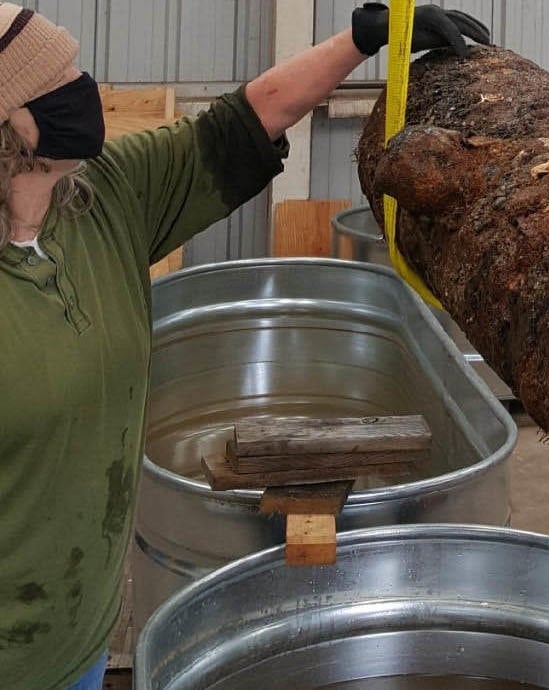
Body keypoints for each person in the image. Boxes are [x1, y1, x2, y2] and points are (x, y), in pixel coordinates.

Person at [0, 4, 490, 688]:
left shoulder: (102, 198)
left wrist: (361, 39)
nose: (82, 86)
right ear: (7, 127)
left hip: (80, 631)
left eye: (76, 69)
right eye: (55, 83)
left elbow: (247, 119)